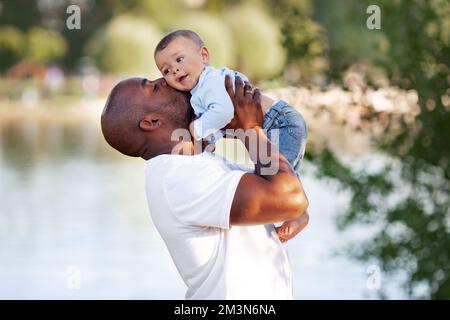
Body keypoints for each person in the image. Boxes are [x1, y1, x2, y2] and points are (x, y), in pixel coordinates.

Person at [101, 75, 309, 299]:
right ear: (151, 122)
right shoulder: (177, 176)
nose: (165, 79)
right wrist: (249, 127)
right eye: (153, 87)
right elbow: (290, 197)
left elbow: (281, 189)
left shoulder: (195, 165)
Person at [154, 29, 309, 241]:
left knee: (272, 180)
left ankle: (298, 214)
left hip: (280, 123)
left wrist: (196, 130)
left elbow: (224, 113)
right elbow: (224, 121)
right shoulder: (201, 88)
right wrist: (210, 141)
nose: (175, 69)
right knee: (281, 175)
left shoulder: (209, 82)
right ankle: (297, 213)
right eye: (166, 70)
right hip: (279, 122)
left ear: (203, 56)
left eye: (179, 59)